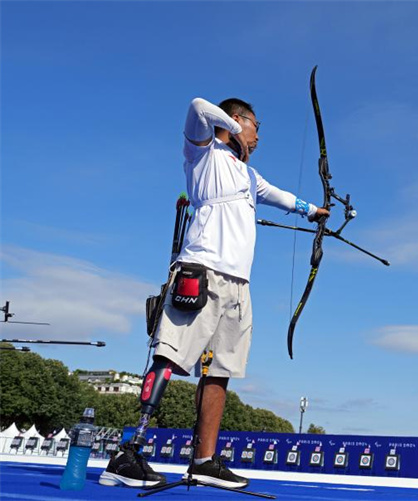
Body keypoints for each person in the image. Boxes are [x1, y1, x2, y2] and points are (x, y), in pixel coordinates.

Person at [99, 97, 329, 489]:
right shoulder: (203, 153)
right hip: (202, 272)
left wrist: (313, 211)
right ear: (236, 121)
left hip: (239, 285)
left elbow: (279, 196)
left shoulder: (248, 175)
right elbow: (198, 107)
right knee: (168, 356)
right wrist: (236, 129)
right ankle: (128, 454)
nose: (258, 136)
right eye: (255, 125)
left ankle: (204, 460)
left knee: (221, 371)